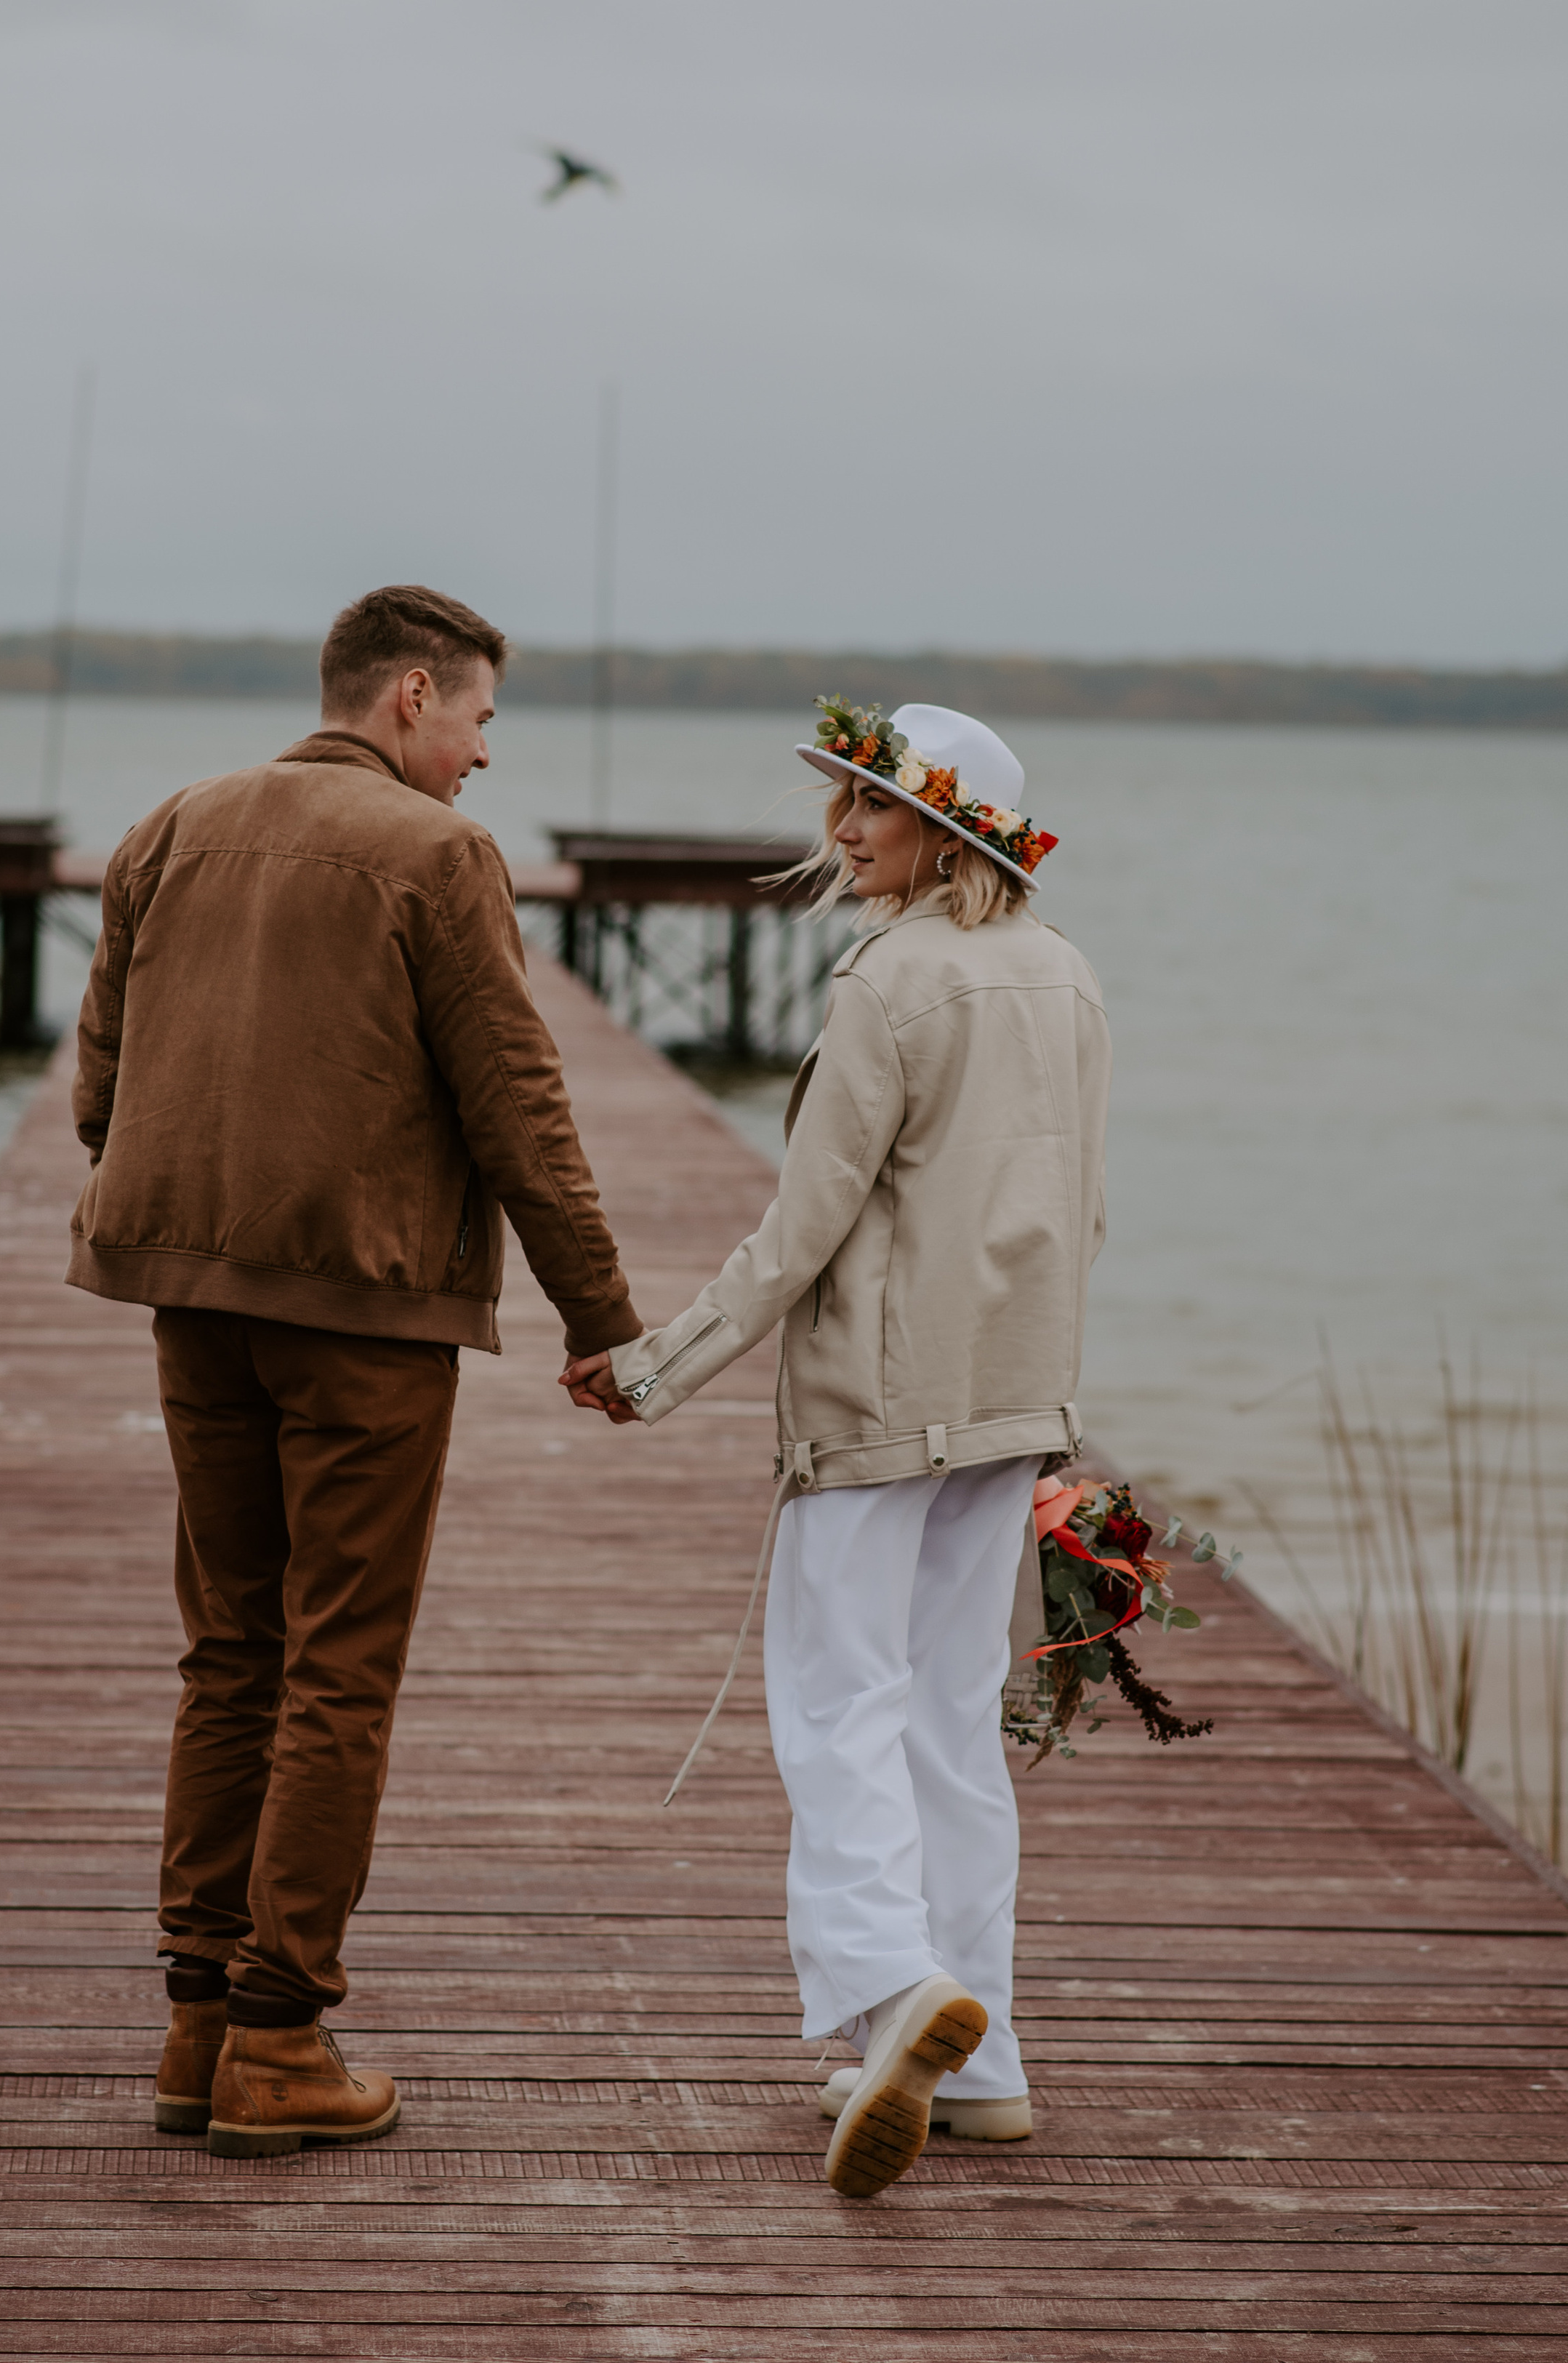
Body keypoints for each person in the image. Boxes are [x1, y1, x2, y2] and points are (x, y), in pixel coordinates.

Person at [67, 585, 642, 2157]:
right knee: (338, 1669)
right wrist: (600, 1314)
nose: (482, 757)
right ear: (409, 696)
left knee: (229, 1652)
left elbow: (100, 1085)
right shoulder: (440, 856)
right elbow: (518, 1102)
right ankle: (277, 2039)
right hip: (365, 1316)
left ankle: (195, 2023)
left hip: (191, 1296)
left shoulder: (170, 825)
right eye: (478, 719)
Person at [563, 698, 1108, 2200]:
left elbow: (802, 1225)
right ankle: (980, 2064)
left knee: (836, 1704)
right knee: (951, 1718)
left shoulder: (889, 978)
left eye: (874, 805)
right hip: (1011, 1399)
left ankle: (894, 1985)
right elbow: (1081, 1210)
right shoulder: (1065, 972)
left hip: (877, 1403)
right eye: (843, 803)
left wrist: (655, 1366)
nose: (844, 831)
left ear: (945, 831)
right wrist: (1049, 1397)